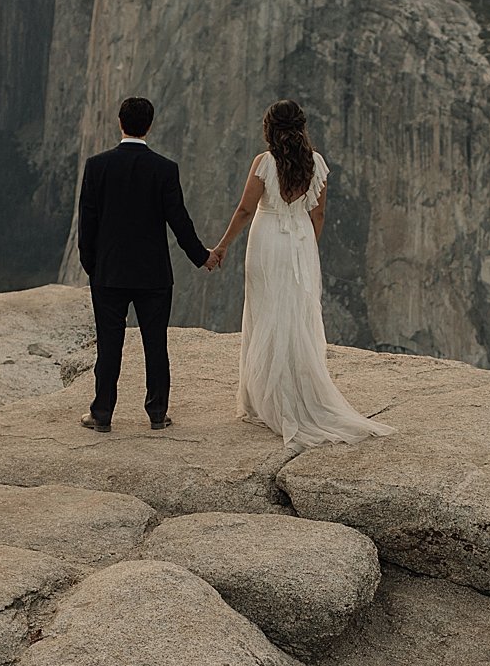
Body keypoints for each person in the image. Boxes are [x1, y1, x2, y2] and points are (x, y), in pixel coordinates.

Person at [207, 98, 393, 452]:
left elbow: (247, 208)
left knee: (265, 313)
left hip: (267, 242)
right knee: (295, 314)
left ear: (270, 128)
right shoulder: (316, 163)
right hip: (300, 242)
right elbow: (318, 214)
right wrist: (307, 248)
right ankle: (299, 390)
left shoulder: (264, 163)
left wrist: (222, 246)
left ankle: (263, 397)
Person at [76, 95, 212, 431]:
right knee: (156, 344)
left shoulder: (97, 166)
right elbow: (179, 221)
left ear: (120, 123)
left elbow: (87, 224)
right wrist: (203, 257)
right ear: (149, 126)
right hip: (153, 275)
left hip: (109, 273)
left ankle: (102, 413)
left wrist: (92, 266)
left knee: (109, 346)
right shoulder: (164, 169)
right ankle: (156, 413)